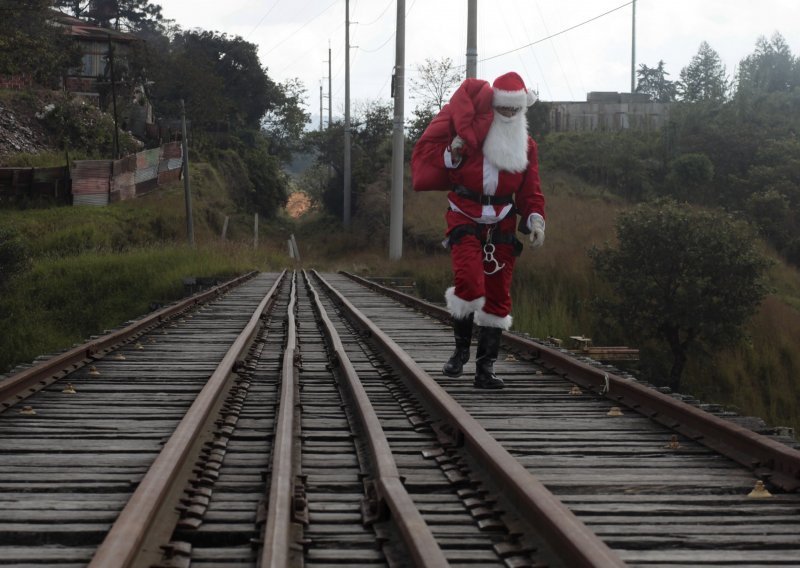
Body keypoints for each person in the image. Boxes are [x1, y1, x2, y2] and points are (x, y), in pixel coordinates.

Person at [410, 71, 546, 390]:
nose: (510, 115)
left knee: (498, 294)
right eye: (504, 109)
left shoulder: (527, 146)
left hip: (502, 220)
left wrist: (536, 219)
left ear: (522, 109)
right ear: (494, 107)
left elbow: (531, 190)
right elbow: (440, 160)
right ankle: (460, 353)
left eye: (515, 110)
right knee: (469, 281)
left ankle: (485, 369)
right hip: (464, 214)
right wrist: (454, 151)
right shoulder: (469, 134)